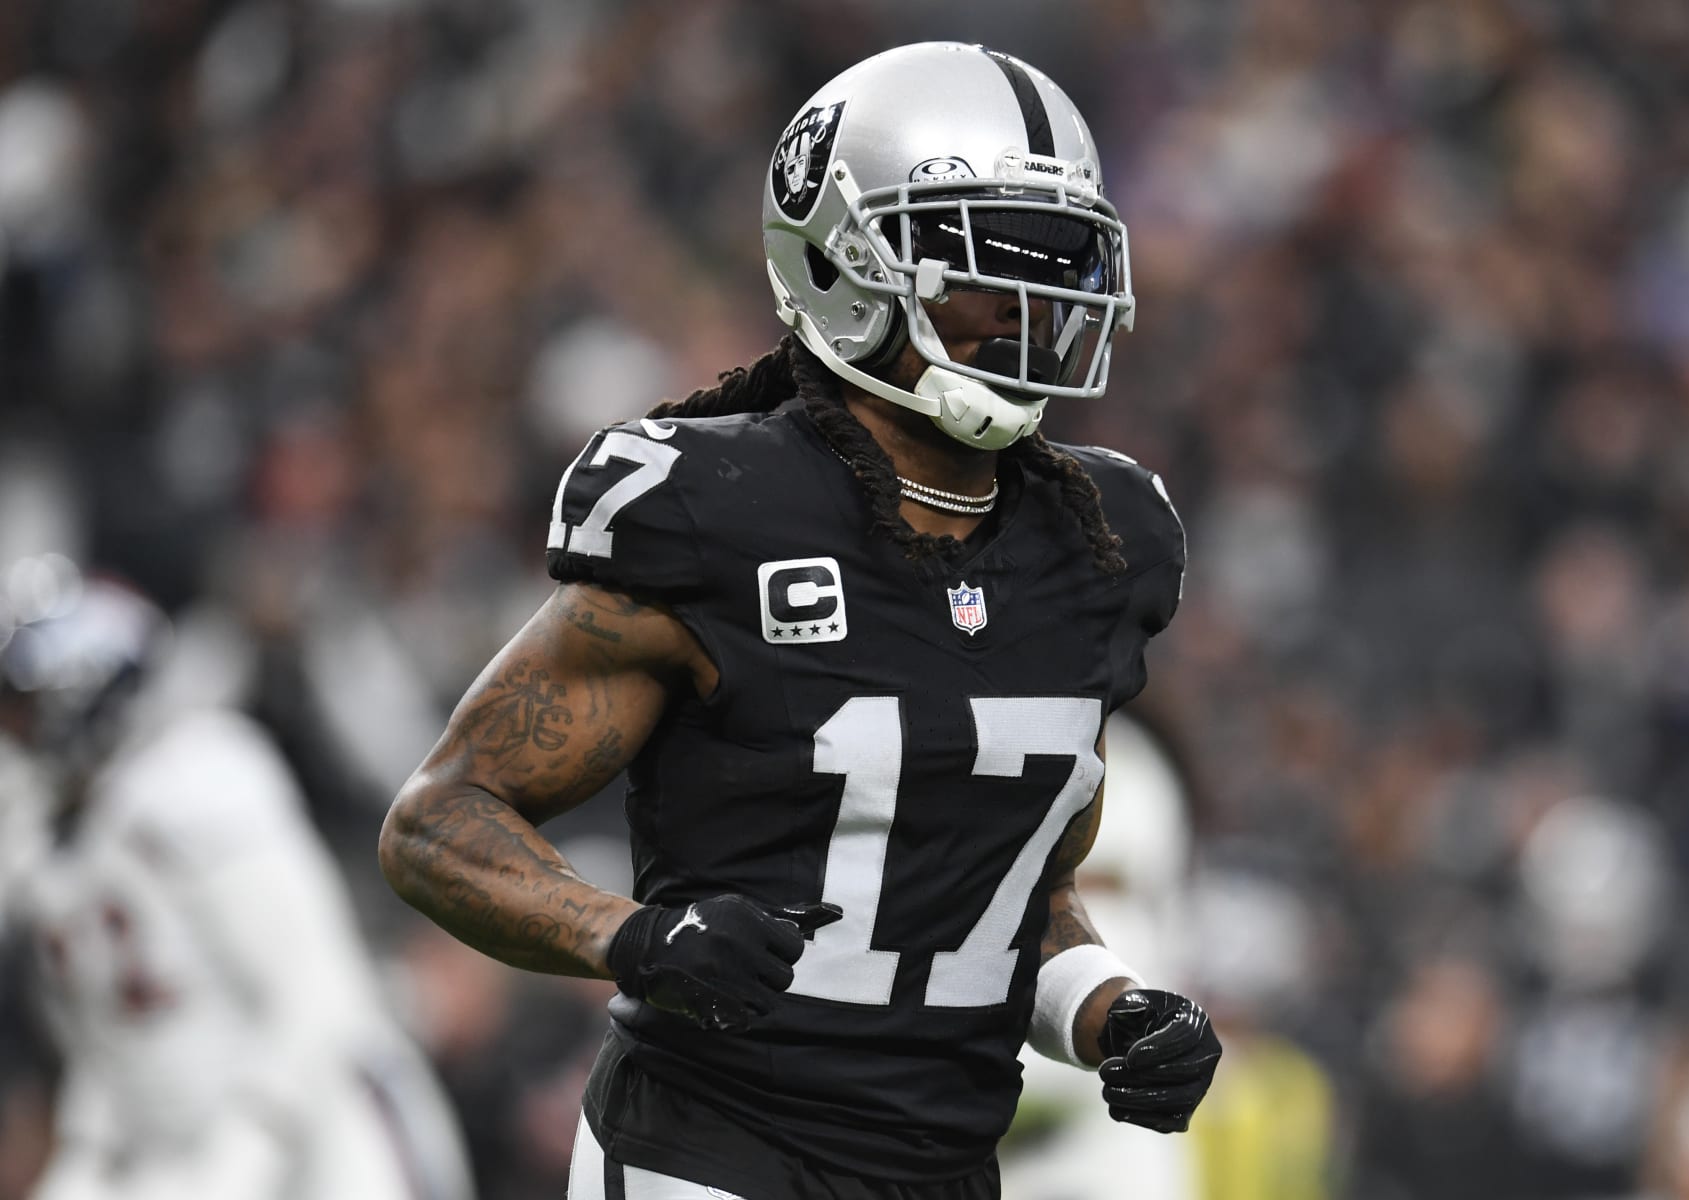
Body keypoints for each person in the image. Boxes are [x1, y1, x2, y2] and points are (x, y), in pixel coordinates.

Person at [380, 41, 1221, 1200]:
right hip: (713, 1152)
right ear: (846, 264)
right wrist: (633, 939)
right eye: (988, 265)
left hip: (945, 1166)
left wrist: (1110, 1010)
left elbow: (999, 897)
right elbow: (438, 820)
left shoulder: (1102, 539)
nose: (1036, 306)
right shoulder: (721, 508)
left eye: (1060, 262)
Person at [0, 563, 473, 1200]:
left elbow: (318, 993)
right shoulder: (52, 856)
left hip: (323, 1131)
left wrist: (243, 1155)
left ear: (80, 691)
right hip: (190, 1148)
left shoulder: (192, 782)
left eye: (19, 711)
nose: (12, 737)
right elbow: (111, 1052)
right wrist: (87, 1160)